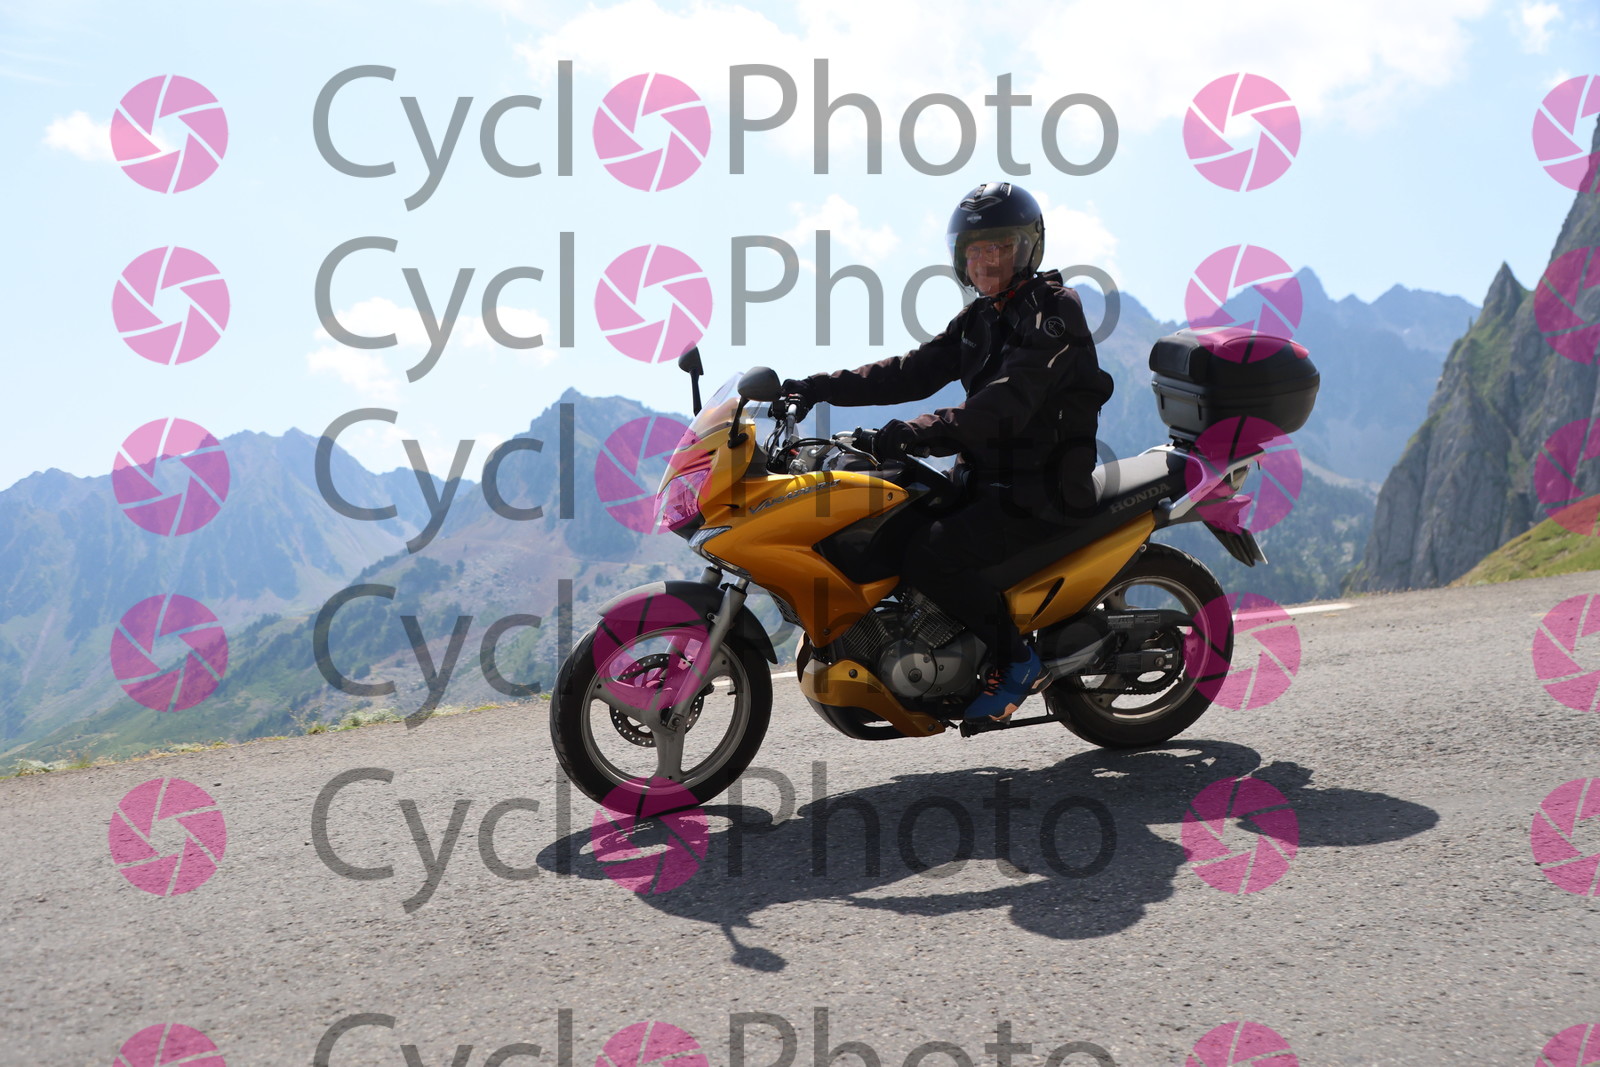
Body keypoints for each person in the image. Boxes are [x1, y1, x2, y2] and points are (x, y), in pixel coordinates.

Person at [779, 181, 1114, 721]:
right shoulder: (981, 318)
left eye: (998, 247)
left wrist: (918, 431)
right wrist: (816, 387)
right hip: (983, 481)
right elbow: (909, 371)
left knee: (932, 554)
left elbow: (1005, 403)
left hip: (1042, 489)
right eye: (974, 251)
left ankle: (1016, 659)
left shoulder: (1054, 312)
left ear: (1026, 248)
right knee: (887, 514)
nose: (985, 261)